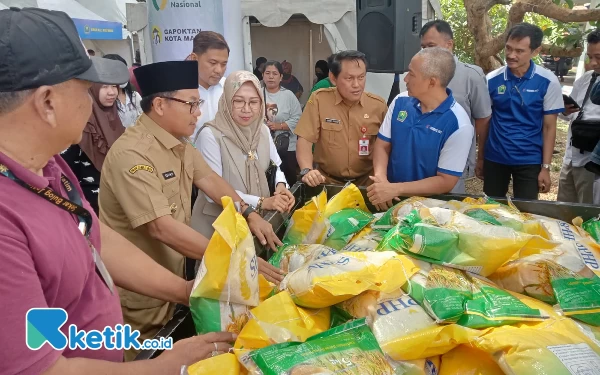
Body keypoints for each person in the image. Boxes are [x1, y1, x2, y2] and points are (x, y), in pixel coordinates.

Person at [0, 8, 236, 375]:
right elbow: (40, 369)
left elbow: (97, 239)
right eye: (84, 90)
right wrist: (166, 366)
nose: (93, 101)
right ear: (47, 102)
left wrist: (187, 291)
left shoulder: (50, 167)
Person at [99, 60, 284, 361]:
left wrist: (248, 213)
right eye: (192, 104)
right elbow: (160, 227)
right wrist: (234, 258)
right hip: (140, 292)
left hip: (176, 280)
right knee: (146, 361)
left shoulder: (181, 144)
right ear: (160, 104)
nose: (199, 112)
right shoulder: (132, 155)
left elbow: (211, 180)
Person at [192, 71, 295, 238]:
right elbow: (213, 191)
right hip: (219, 227)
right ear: (226, 101)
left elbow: (275, 166)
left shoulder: (261, 130)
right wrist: (262, 203)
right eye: (238, 101)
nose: (246, 109)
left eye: (254, 102)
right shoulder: (211, 135)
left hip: (258, 223)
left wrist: (281, 187)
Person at [367, 48, 473, 210]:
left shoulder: (459, 124)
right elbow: (382, 145)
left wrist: (396, 188)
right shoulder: (400, 101)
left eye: (411, 73)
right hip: (390, 200)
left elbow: (446, 181)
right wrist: (381, 180)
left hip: (430, 209)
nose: (406, 79)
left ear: (432, 82)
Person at [482, 23, 564, 200]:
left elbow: (549, 128)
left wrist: (546, 167)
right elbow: (485, 121)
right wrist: (481, 158)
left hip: (529, 159)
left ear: (535, 51)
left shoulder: (548, 81)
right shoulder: (491, 80)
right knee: (491, 210)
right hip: (495, 156)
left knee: (527, 211)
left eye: (519, 51)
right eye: (508, 48)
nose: (511, 55)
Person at [295, 50, 388, 187]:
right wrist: (307, 170)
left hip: (366, 184)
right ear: (333, 78)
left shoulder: (378, 106)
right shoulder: (319, 100)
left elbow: (387, 146)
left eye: (361, 77)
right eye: (349, 78)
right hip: (328, 182)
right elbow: (305, 140)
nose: (356, 84)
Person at [419, 20, 492, 193]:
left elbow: (483, 119)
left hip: (455, 161)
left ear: (449, 44)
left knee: (449, 211)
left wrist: (481, 157)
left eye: (431, 46)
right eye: (423, 47)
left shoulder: (470, 76)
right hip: (422, 158)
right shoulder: (418, 74)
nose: (426, 52)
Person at [61, 81, 124, 214]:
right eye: (105, 87)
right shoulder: (81, 124)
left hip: (116, 196)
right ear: (93, 89)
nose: (111, 92)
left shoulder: (116, 118)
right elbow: (65, 169)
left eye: (114, 86)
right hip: (88, 203)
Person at [559, 29, 600, 204]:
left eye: (598, 57)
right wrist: (565, 110)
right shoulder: (585, 79)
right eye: (590, 57)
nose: (593, 63)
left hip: (592, 164)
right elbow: (569, 116)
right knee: (564, 212)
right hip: (570, 158)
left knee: (588, 217)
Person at [262, 60, 303, 185]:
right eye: (267, 73)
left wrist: (278, 126)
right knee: (267, 180)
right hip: (263, 146)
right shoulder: (256, 93)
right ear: (262, 75)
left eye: (275, 73)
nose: (270, 76)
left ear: (281, 77)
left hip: (286, 147)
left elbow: (298, 118)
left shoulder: (288, 95)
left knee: (288, 179)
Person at [188, 31, 229, 139]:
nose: (219, 70)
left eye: (224, 64)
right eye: (213, 63)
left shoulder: (230, 89)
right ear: (194, 59)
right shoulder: (178, 92)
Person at [104, 54, 143, 128]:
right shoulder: (106, 100)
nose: (122, 75)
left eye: (123, 70)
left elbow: (144, 118)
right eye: (116, 72)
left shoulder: (135, 96)